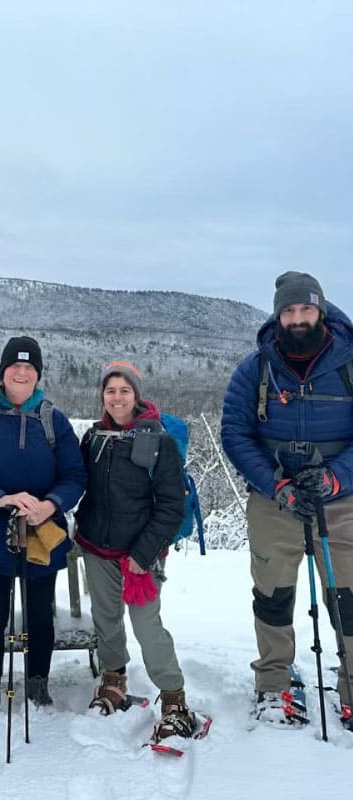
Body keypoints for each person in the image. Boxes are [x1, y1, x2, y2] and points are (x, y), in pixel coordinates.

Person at [222, 271, 353, 725]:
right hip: (274, 497)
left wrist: (335, 480)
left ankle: (352, 679)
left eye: (306, 309)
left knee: (349, 596)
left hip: (341, 500)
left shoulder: (349, 363)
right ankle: (274, 681)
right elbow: (235, 434)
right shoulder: (254, 368)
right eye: (289, 311)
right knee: (272, 594)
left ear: (321, 311)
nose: (298, 319)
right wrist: (274, 484)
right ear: (278, 315)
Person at [0, 336, 86, 726]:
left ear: (38, 375)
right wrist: (0, 498)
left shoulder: (53, 419)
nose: (21, 372)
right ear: (2, 371)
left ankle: (38, 685)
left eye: (29, 367)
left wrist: (52, 504)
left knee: (40, 614)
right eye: (14, 366)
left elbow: (75, 475)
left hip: (42, 532)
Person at [73, 360, 194, 741]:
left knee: (147, 626)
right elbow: (81, 485)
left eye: (124, 390)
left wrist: (143, 554)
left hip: (140, 555)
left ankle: (173, 695)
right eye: (110, 391)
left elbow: (172, 505)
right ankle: (113, 679)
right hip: (97, 547)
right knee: (106, 619)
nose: (117, 397)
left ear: (136, 395)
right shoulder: (94, 438)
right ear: (102, 397)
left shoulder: (159, 441)